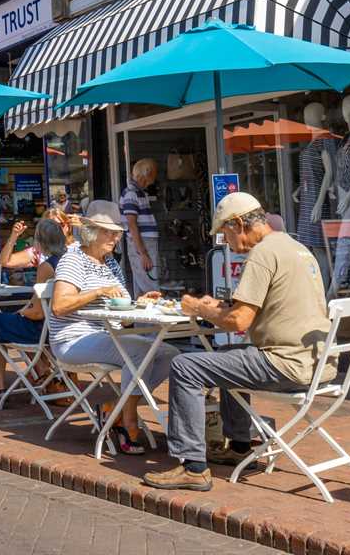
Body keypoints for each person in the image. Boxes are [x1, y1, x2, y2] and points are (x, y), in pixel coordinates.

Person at [142, 193, 333, 492]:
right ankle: (240, 445)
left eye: (224, 233)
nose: (226, 242)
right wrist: (219, 307)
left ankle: (192, 466)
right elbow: (263, 306)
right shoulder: (295, 247)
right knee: (229, 355)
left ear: (239, 224)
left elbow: (239, 322)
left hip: (285, 364)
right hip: (318, 363)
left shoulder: (261, 254)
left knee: (184, 366)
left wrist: (200, 308)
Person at [49, 200, 177, 455]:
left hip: (107, 335)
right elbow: (59, 306)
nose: (116, 238)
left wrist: (138, 305)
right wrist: (99, 291)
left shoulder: (111, 264)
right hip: (72, 339)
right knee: (139, 352)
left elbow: (122, 314)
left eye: (117, 233)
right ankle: (128, 422)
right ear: (91, 231)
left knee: (171, 355)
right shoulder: (72, 259)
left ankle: (114, 409)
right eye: (109, 232)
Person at [0, 217, 68, 399]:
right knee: (1, 325)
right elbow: (5, 262)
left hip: (43, 331)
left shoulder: (46, 267)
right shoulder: (69, 261)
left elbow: (37, 313)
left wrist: (21, 312)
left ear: (40, 242)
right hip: (62, 327)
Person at [119, 158, 160, 295]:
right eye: (153, 174)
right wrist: (142, 253)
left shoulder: (138, 192)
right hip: (142, 243)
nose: (153, 179)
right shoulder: (132, 193)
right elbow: (132, 225)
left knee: (144, 282)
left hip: (144, 242)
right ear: (146, 175)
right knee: (148, 282)